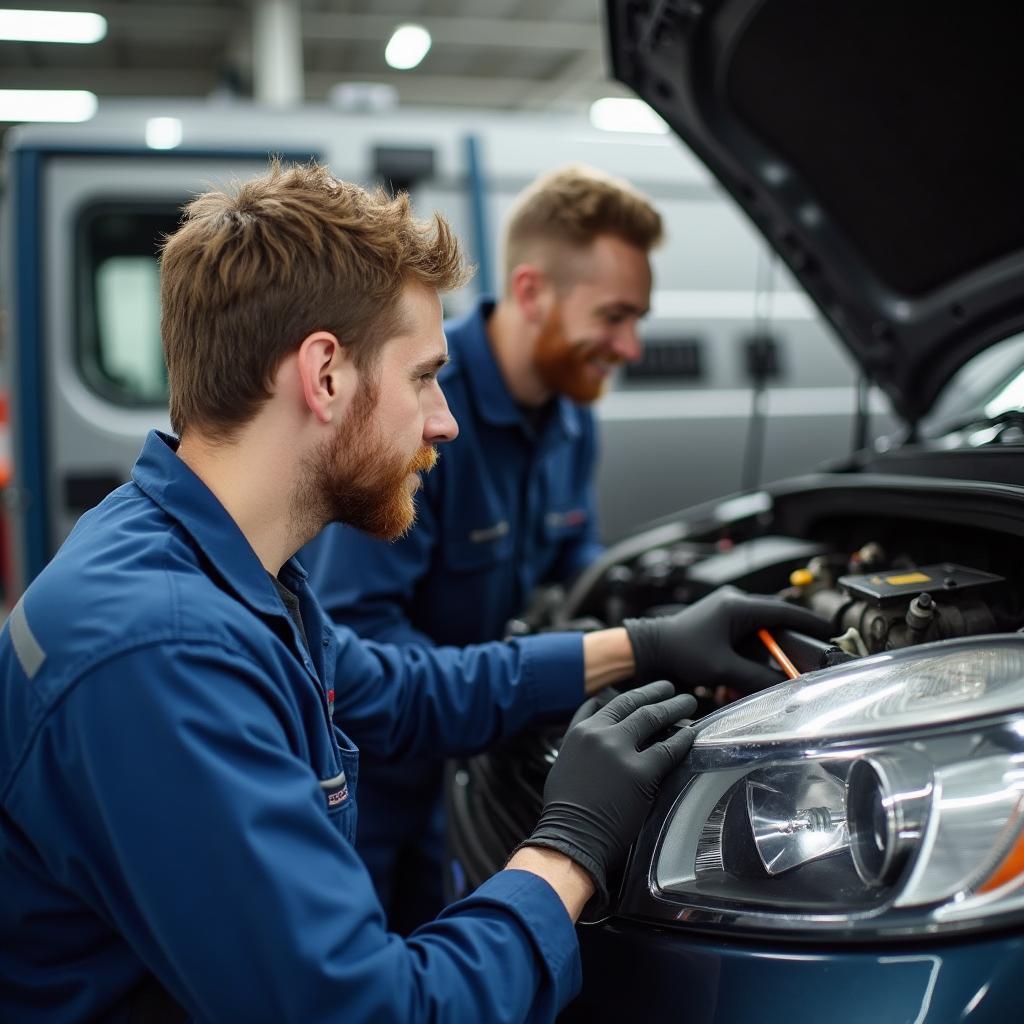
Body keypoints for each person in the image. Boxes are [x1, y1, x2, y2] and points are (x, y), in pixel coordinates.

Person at [0, 162, 828, 1022]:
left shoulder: (211, 564)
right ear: (324, 375)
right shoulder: (164, 655)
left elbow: (399, 693)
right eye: (424, 376)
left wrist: (645, 646)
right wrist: (566, 851)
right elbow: (374, 1010)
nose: (445, 420)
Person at [303, 165, 663, 929]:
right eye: (615, 316)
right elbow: (361, 645)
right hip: (386, 790)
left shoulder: (571, 414)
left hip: (489, 751)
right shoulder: (414, 413)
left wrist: (645, 629)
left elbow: (574, 567)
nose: (630, 346)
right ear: (532, 291)